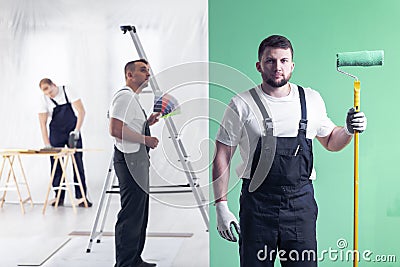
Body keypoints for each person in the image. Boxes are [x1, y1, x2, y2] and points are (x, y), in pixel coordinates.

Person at [212, 35, 367, 267]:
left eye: (284, 61)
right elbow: (222, 155)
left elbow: (332, 141)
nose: (278, 67)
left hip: (299, 205)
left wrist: (348, 129)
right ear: (259, 65)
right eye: (270, 61)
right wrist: (220, 205)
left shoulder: (311, 100)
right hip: (257, 205)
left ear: (292, 65)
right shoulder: (241, 104)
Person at [109, 59, 161, 267]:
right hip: (130, 160)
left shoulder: (131, 98)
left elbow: (126, 125)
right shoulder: (124, 97)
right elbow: (115, 130)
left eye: (148, 70)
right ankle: (125, 263)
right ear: (129, 75)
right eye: (142, 70)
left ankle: (134, 260)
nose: (147, 74)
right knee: (131, 213)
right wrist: (146, 139)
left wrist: (146, 123)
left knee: (139, 212)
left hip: (136, 160)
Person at [38, 78, 92, 207]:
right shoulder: (44, 99)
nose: (48, 94)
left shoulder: (67, 90)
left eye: (49, 90)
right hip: (56, 131)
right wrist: (47, 144)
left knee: (77, 161)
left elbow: (81, 111)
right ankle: (58, 196)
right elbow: (42, 123)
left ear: (54, 85)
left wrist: (76, 131)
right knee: (56, 163)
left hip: (72, 129)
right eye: (45, 92)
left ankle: (81, 197)